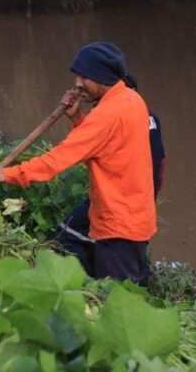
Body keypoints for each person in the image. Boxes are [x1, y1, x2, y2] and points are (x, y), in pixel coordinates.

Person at [0, 42, 156, 285]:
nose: (78, 83)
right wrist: (76, 118)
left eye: (84, 76)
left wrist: (8, 174)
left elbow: (57, 160)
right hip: (135, 216)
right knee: (129, 288)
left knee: (118, 301)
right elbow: (105, 144)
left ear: (102, 77)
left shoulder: (106, 115)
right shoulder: (132, 99)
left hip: (119, 226)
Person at [54, 72, 166, 271]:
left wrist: (11, 174)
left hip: (119, 199)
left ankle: (85, 283)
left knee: (67, 234)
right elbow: (160, 161)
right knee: (131, 254)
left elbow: (79, 150)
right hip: (141, 201)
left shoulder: (118, 116)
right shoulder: (148, 116)